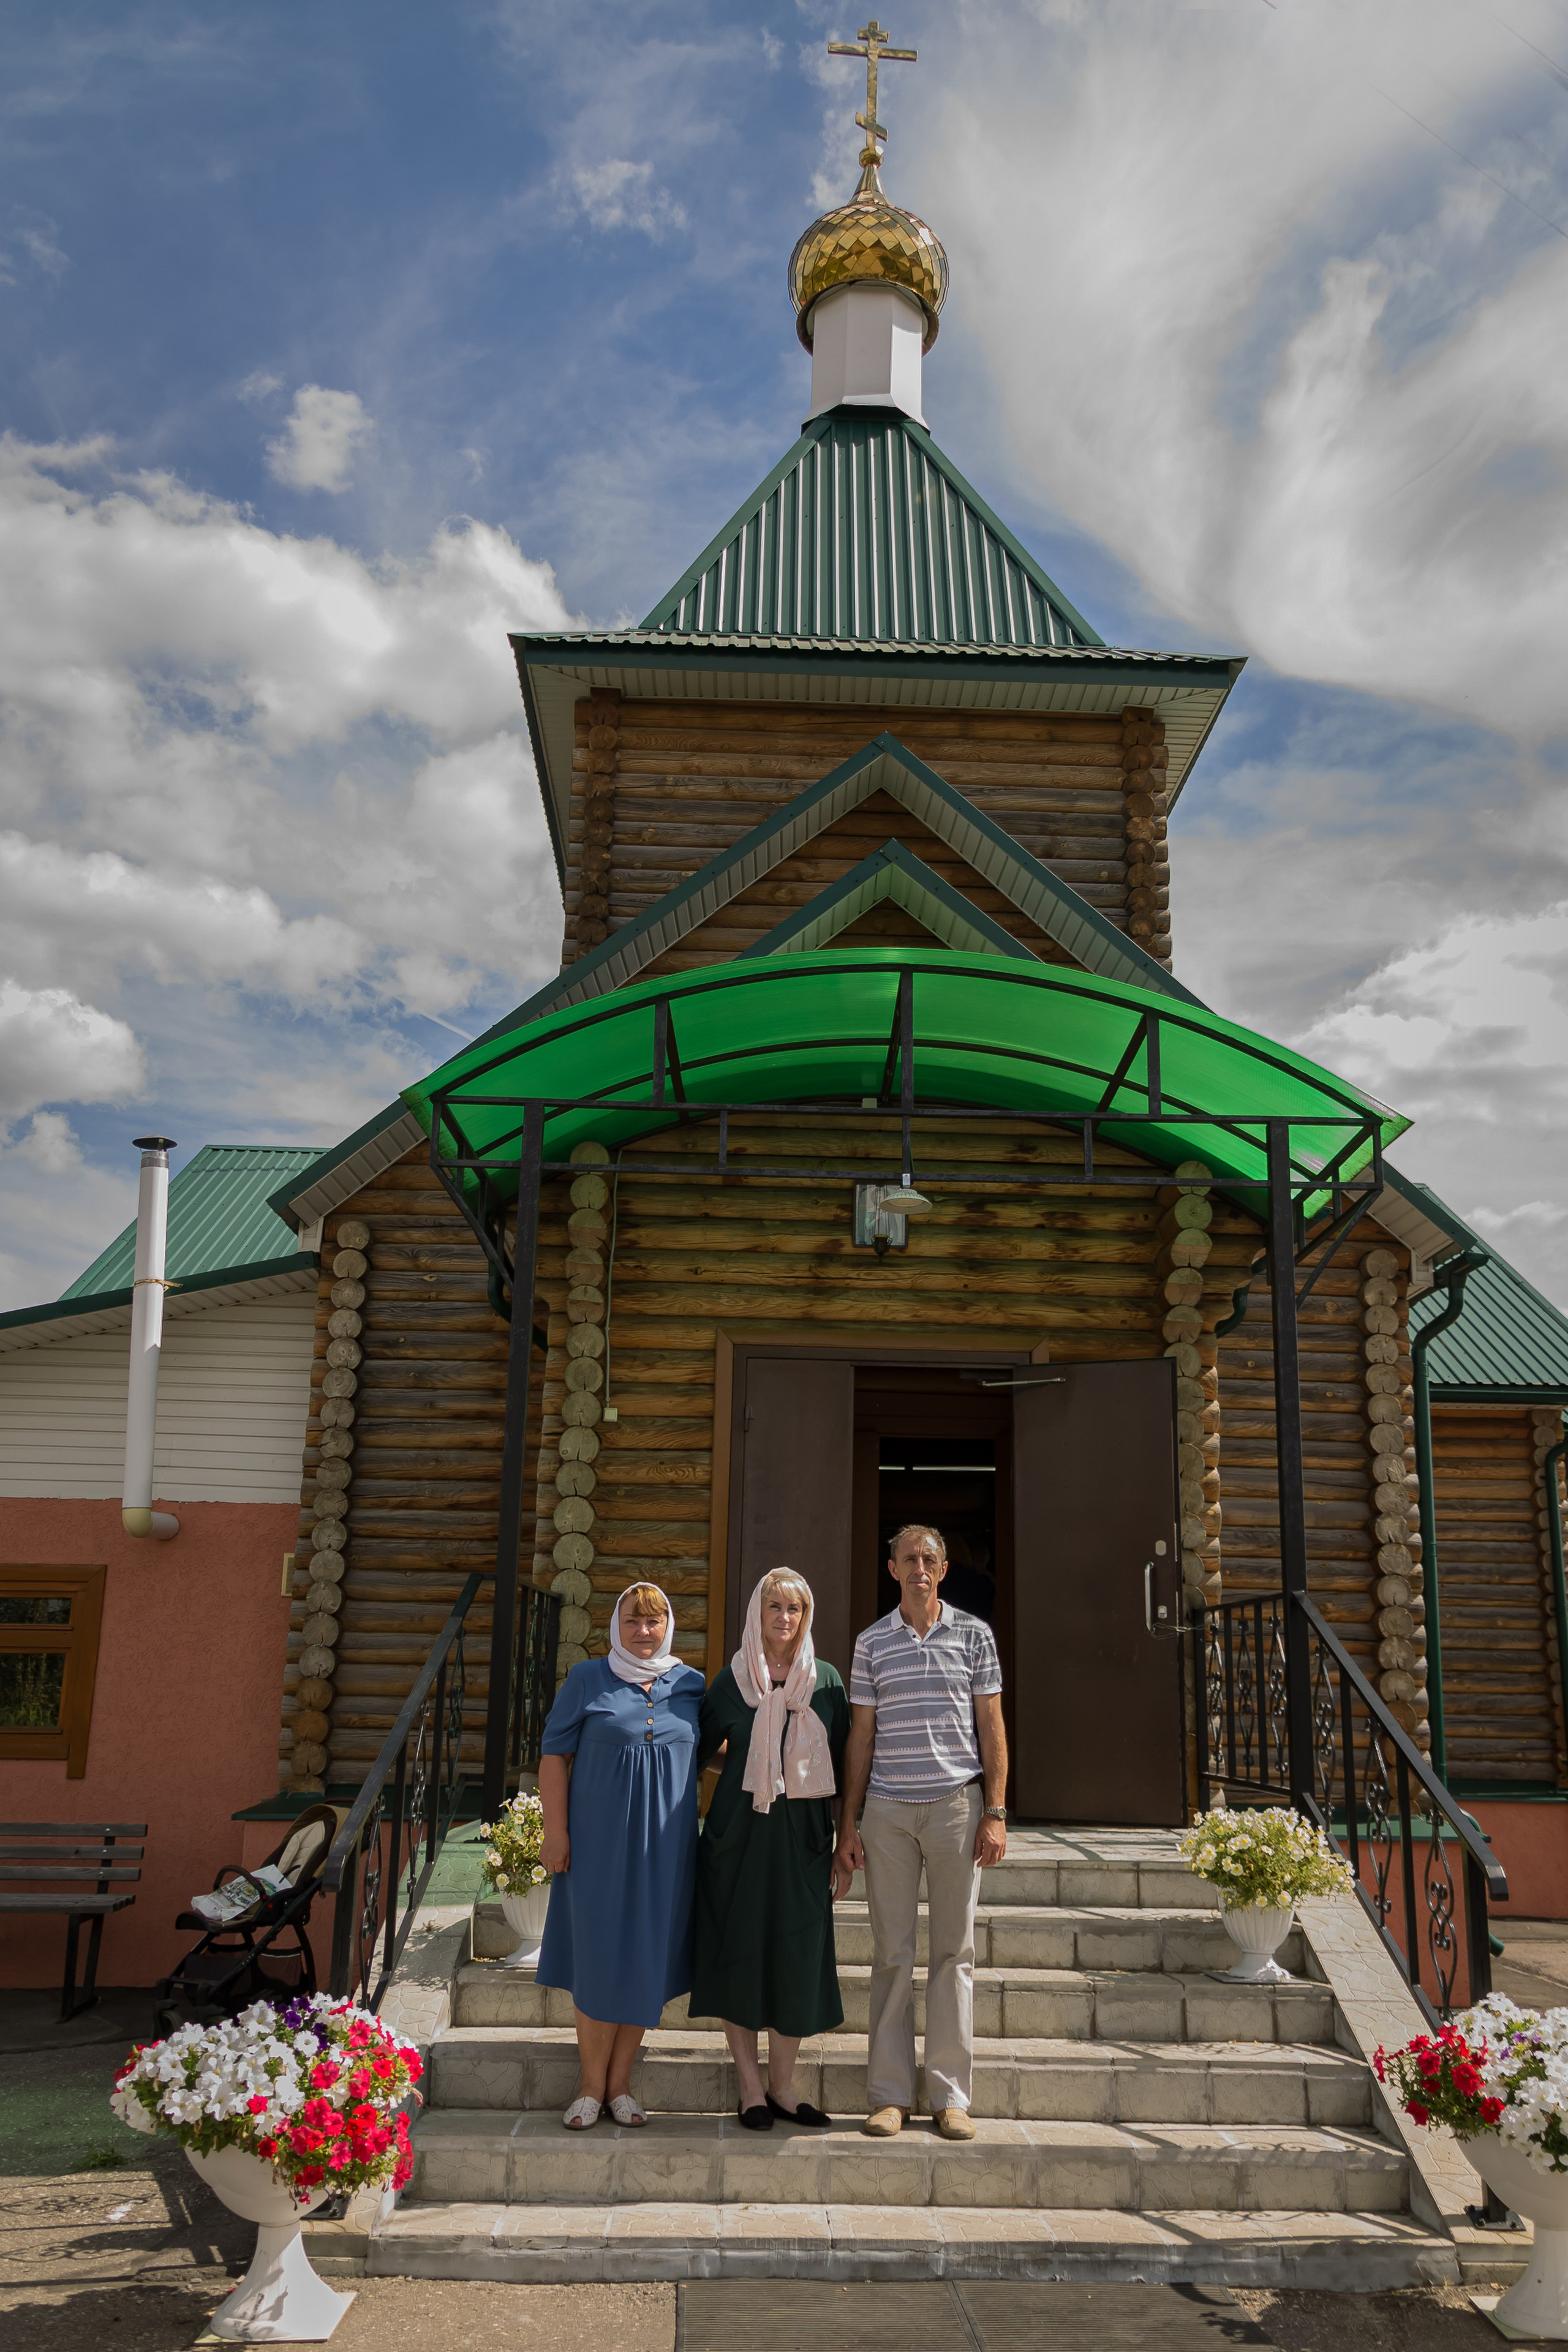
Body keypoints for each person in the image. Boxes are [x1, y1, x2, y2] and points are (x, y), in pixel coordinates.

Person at [833, 1522, 1008, 2143]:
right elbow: (861, 1737)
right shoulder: (872, 1643)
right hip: (887, 1812)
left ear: (943, 1568)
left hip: (957, 1806)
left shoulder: (975, 1636)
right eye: (908, 1558)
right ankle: (889, 2096)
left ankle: (950, 2097)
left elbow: (991, 1726)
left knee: (954, 1953)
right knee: (892, 1955)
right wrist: (848, 1823)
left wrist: (995, 1810)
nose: (919, 1567)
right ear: (892, 1569)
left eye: (929, 1558)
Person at [536, 1581, 704, 2129]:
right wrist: (555, 1833)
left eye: (654, 1621)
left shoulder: (692, 1685)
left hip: (667, 1849)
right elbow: (554, 1756)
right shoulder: (588, 1679)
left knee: (647, 1956)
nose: (643, 1631)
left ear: (669, 1626)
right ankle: (590, 2086)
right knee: (597, 1955)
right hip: (597, 1846)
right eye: (633, 1620)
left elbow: (724, 1748)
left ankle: (619, 2086)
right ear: (616, 1625)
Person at [691, 1569, 850, 2130]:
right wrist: (747, 1762)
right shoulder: (731, 1682)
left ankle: (783, 2087)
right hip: (738, 1841)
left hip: (804, 1843)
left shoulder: (826, 1681)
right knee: (739, 1954)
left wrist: (847, 1838)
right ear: (757, 1613)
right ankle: (750, 2089)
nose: (785, 1618)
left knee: (797, 1958)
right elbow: (696, 1753)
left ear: (807, 1616)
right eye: (775, 1607)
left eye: (795, 1608)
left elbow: (846, 1765)